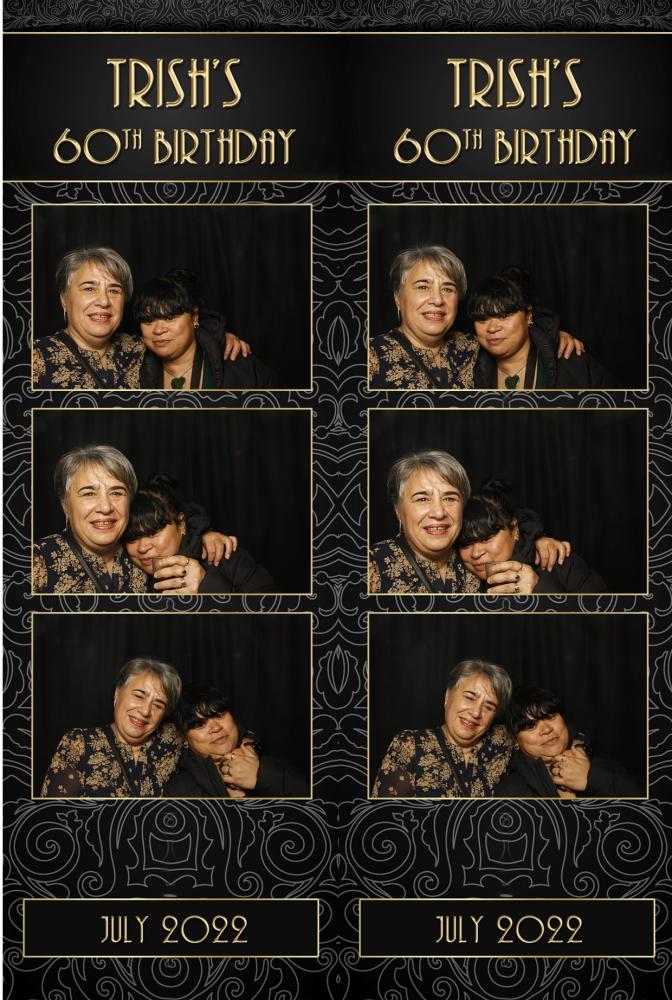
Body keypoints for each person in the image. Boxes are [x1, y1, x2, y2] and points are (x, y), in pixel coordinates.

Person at [368, 245, 582, 390]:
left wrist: (551, 335)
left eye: (448, 289)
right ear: (398, 298)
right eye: (423, 287)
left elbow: (510, 317)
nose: (437, 299)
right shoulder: (371, 357)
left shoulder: (471, 345)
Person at [32, 248, 249, 390]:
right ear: (64, 300)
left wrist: (218, 336)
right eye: (89, 288)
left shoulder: (137, 347)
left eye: (114, 290)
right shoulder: (35, 358)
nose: (104, 301)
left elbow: (177, 325)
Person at [33, 446, 227, 594]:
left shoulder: (140, 555)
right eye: (89, 493)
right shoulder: (37, 561)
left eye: (116, 492)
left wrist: (203, 537)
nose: (105, 507)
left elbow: (169, 513)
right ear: (65, 505)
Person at [368, 450, 567, 594]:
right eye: (422, 499)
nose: (438, 512)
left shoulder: (474, 559)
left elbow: (501, 518)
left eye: (450, 498)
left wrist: (536, 539)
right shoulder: (371, 566)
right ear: (398, 511)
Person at [41, 658, 183, 797]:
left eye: (158, 705)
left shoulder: (172, 739)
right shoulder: (79, 743)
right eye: (139, 696)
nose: (146, 711)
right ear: (117, 693)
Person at [372, 659, 513, 797]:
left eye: (488, 707)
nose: (476, 713)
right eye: (469, 698)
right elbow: (386, 810)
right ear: (447, 695)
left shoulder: (503, 741)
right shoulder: (409, 745)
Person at [124, 474, 275, 594]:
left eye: (152, 533)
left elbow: (274, 617)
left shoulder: (224, 557)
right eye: (132, 538)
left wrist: (207, 585)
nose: (142, 547)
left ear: (181, 524)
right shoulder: (124, 571)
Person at [469, 267, 614, 389]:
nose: (492, 328)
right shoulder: (467, 367)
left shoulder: (572, 364)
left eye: (503, 316)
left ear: (528, 315)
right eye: (483, 319)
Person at [135, 269, 278, 390]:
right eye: (148, 320)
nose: (158, 330)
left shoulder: (238, 367)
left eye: (169, 317)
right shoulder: (133, 368)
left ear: (194, 317)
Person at [457, 480, 607, 594]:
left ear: (514, 528)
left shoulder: (558, 562)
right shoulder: (457, 575)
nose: (476, 553)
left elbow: (605, 621)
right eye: (466, 544)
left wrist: (540, 589)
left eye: (486, 539)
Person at [493, 685, 643, 798]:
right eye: (530, 726)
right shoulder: (509, 792)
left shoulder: (605, 765)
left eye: (550, 717)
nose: (546, 729)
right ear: (515, 740)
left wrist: (591, 778)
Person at [163, 682, 308, 798]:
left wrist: (260, 777)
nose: (216, 728)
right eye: (199, 724)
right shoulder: (178, 791)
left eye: (219, 715)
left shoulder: (276, 766)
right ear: (184, 739)